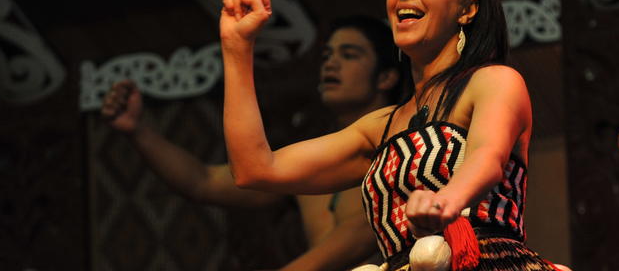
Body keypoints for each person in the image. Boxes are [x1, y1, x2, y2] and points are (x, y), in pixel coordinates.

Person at [217, 0, 558, 270]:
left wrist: (444, 202)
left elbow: (488, 156)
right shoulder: (379, 128)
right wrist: (236, 49)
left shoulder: (494, 82)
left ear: (467, 10)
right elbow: (255, 170)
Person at [100, 15, 402, 271]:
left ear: (386, 77)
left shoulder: (401, 143)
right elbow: (202, 182)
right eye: (327, 56)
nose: (331, 64)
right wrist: (139, 131)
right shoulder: (312, 157)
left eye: (349, 55)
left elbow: (362, 232)